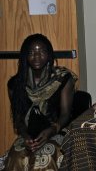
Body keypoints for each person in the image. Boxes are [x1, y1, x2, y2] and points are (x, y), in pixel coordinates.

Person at [4, 33, 77, 170]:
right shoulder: (15, 84)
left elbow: (66, 114)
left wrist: (51, 130)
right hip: (29, 134)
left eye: (42, 51)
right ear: (25, 56)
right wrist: (25, 136)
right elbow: (18, 118)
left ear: (49, 55)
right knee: (16, 157)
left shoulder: (62, 79)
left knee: (45, 157)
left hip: (57, 129)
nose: (37, 56)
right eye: (31, 52)